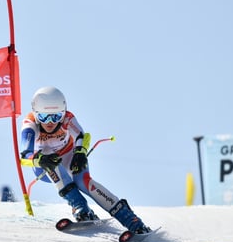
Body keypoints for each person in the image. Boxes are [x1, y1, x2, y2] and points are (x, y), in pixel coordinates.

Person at [20, 86, 151, 234]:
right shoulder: (29, 124)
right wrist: (40, 160)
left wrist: (80, 153)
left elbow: (82, 136)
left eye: (56, 116)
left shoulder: (68, 118)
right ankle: (80, 207)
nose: (50, 122)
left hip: (70, 157)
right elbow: (24, 157)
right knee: (50, 157)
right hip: (43, 166)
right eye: (44, 117)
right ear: (36, 114)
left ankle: (131, 220)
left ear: (62, 113)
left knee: (84, 182)